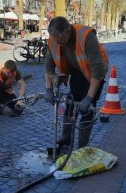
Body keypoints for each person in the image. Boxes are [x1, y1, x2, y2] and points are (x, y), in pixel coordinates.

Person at [43, 16, 108, 148]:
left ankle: (82, 147)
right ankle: (66, 137)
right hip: (77, 71)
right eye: (57, 41)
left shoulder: (86, 36)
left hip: (94, 74)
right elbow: (49, 66)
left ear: (68, 31)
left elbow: (97, 70)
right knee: (70, 104)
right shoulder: (54, 39)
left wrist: (89, 98)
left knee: (86, 111)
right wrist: (49, 89)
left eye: (61, 40)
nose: (59, 44)